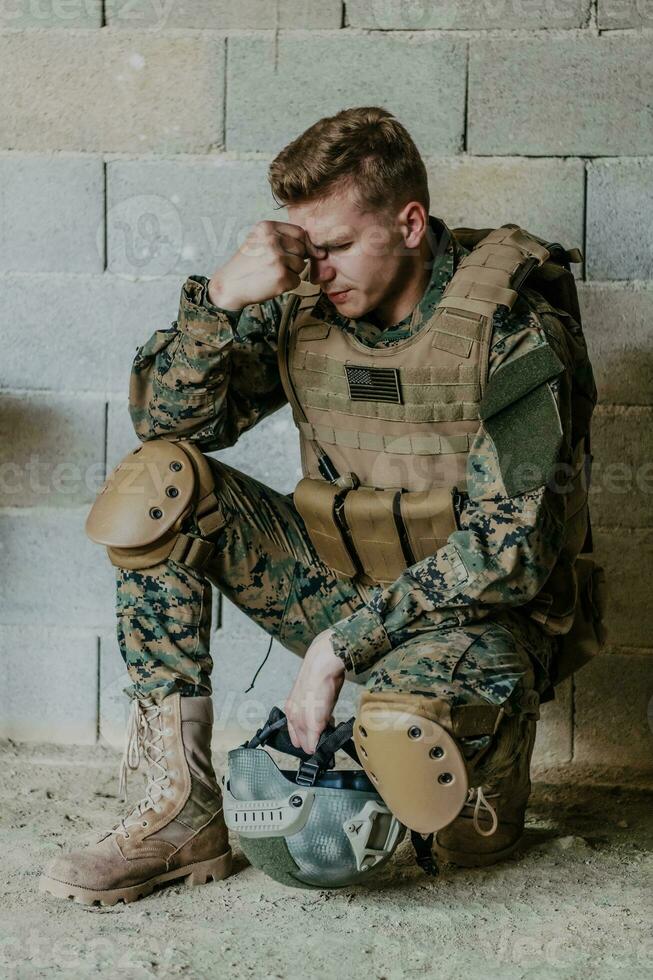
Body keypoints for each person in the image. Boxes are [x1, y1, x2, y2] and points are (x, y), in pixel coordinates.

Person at [40, 106, 600, 906]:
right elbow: (169, 426)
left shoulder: (511, 326)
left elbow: (509, 554)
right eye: (306, 248)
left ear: (409, 224)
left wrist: (339, 646)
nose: (318, 269)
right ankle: (179, 816)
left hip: (475, 624)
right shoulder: (309, 303)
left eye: (335, 246)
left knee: (416, 786)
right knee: (155, 486)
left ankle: (476, 777)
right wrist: (221, 300)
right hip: (340, 583)